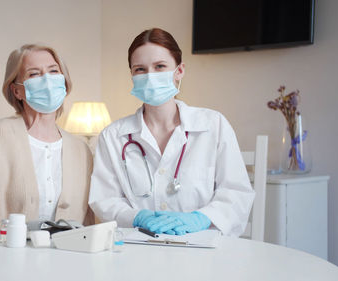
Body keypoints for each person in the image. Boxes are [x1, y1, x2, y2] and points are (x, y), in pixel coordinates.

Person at [88, 28, 254, 236]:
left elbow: (236, 193)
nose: (150, 76)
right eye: (140, 69)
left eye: (160, 66)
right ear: (131, 74)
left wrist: (202, 218)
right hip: (139, 248)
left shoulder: (214, 125)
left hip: (202, 249)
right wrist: (137, 217)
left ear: (179, 71)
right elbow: (105, 199)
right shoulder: (113, 136)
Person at [0, 44, 94, 236]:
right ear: (16, 91)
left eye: (54, 71)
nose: (47, 79)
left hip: (67, 259)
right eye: (34, 74)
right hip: (5, 257)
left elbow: (87, 226)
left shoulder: (81, 150)